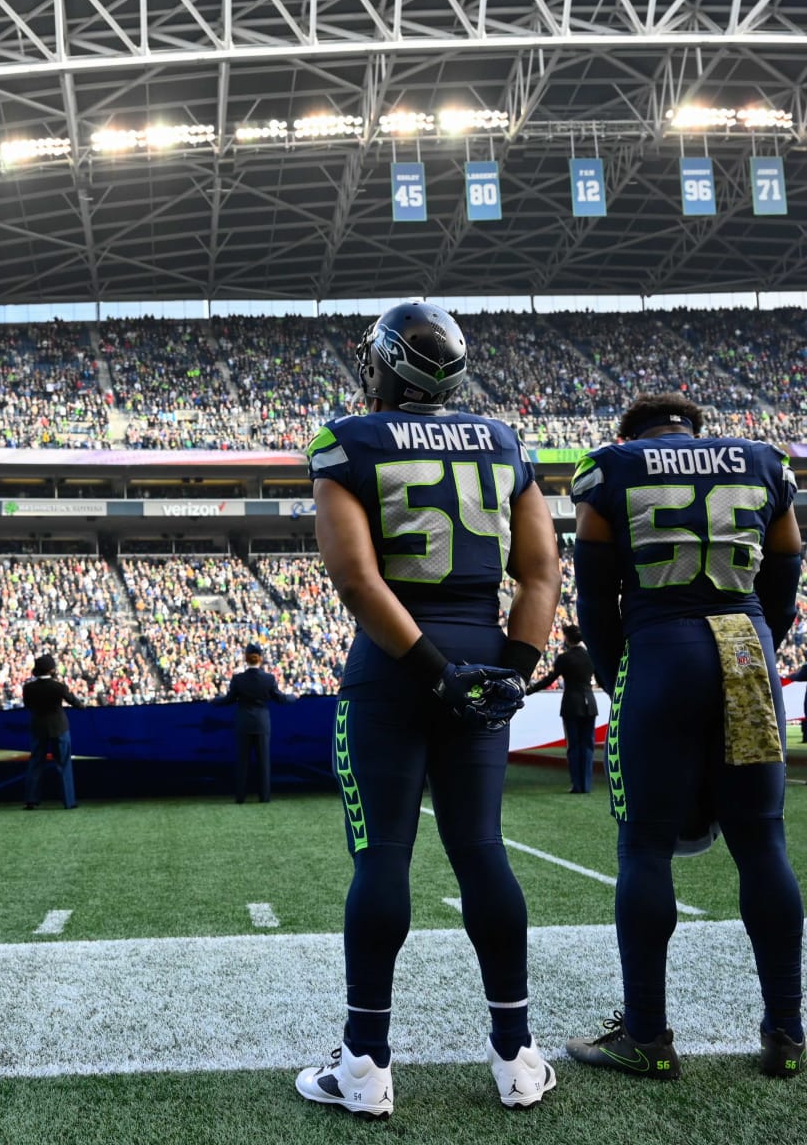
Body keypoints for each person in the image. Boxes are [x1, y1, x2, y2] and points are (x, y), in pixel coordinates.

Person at [296, 300, 561, 1118]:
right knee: (483, 851)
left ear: (383, 364)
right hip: (479, 656)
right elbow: (544, 571)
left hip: (395, 664)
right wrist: (510, 670)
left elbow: (355, 581)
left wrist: (431, 669)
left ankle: (366, 1066)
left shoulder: (349, 439)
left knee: (382, 855)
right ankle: (516, 1057)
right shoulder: (502, 440)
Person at [566, 392, 805, 1080]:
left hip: (660, 645)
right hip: (743, 642)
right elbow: (786, 573)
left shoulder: (610, 466)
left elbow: (595, 597)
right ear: (692, 428)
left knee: (644, 843)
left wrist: (622, 678)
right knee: (764, 842)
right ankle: (787, 1033)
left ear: (631, 432)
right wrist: (758, 644)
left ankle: (646, 1034)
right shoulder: (764, 461)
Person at [211, 642, 297, 803]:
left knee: (242, 762)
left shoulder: (238, 679)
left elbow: (228, 700)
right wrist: (294, 696)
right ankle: (264, 797)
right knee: (264, 762)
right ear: (261, 659)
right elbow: (282, 698)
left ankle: (240, 797)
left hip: (243, 723)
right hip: (262, 724)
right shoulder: (269, 679)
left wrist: (213, 700)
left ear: (246, 658)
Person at [526, 624, 598, 793]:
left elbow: (550, 678)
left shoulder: (564, 658)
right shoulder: (590, 657)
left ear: (567, 638)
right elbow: (601, 679)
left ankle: (577, 784)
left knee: (573, 745)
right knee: (588, 745)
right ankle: (586, 784)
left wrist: (530, 690)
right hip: (590, 703)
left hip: (571, 704)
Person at [21, 653, 83, 810]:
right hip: (59, 727)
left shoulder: (28, 688)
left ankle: (31, 800)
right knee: (64, 764)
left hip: (38, 728)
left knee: (35, 764)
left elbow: (28, 706)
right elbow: (75, 702)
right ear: (51, 670)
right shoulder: (59, 687)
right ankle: (69, 801)